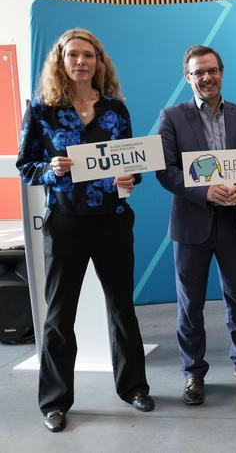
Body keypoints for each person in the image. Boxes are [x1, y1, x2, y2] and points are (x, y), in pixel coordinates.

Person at [16, 28, 153, 432]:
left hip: (113, 220)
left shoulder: (116, 109)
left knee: (122, 308)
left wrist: (130, 179)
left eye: (89, 55)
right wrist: (50, 170)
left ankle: (134, 387)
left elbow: (131, 165)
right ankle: (54, 402)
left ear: (99, 62)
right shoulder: (42, 110)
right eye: (73, 55)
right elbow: (26, 167)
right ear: (60, 61)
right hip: (65, 223)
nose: (81, 62)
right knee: (60, 315)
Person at [155, 45, 236, 406]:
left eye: (212, 70)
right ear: (187, 77)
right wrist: (205, 192)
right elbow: (166, 170)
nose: (206, 78)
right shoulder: (172, 117)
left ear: (222, 72)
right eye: (198, 72)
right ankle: (193, 371)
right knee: (190, 304)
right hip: (193, 224)